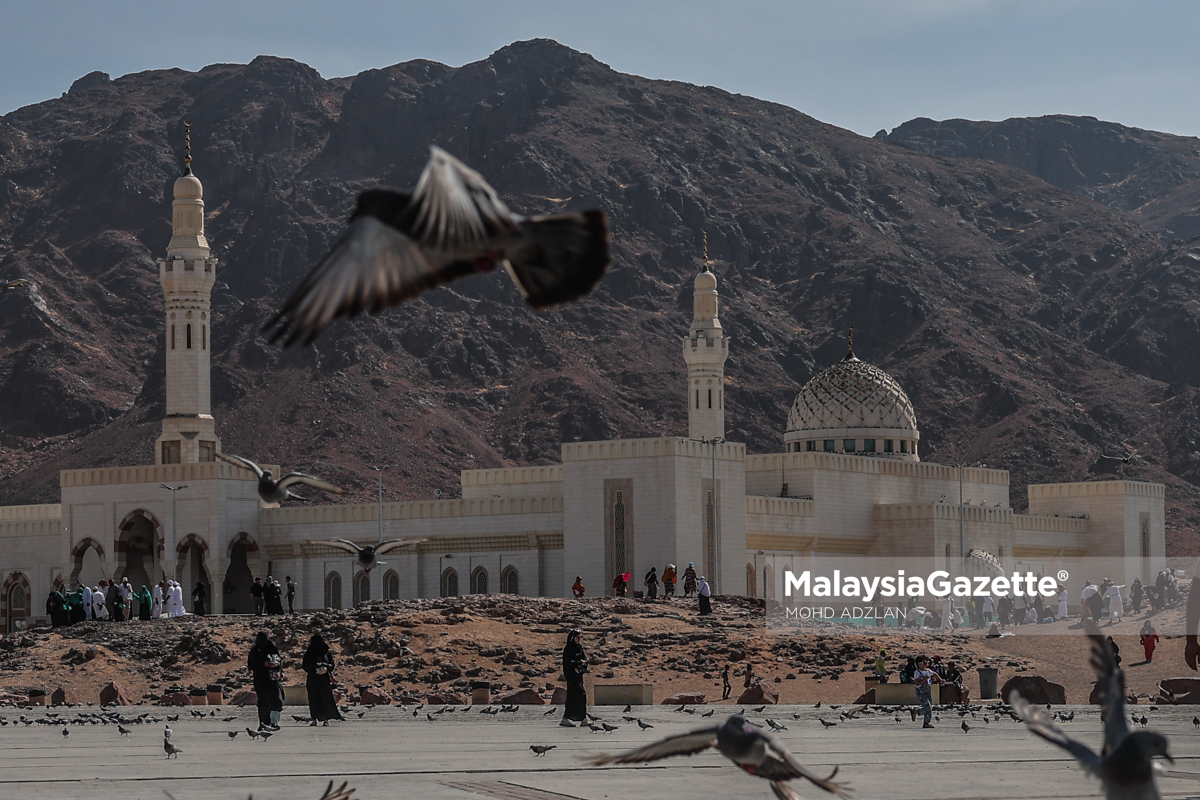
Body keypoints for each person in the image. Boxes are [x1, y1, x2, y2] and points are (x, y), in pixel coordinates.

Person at [301, 634, 343, 726]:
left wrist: (326, 667)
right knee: (313, 699)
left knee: (326, 699)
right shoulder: (310, 652)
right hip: (313, 679)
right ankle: (314, 719)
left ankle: (325, 719)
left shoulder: (326, 652)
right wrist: (315, 668)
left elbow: (331, 664)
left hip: (324, 679)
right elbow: (305, 665)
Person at [248, 631, 284, 731]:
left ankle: (274, 723)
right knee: (263, 702)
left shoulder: (272, 648)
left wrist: (275, 664)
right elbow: (251, 665)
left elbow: (278, 660)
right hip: (260, 680)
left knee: (277, 700)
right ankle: (264, 723)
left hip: (273, 679)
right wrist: (263, 664)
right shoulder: (255, 651)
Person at [561, 629, 588, 724]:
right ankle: (580, 718)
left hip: (579, 677)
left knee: (574, 697)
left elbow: (583, 658)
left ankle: (577, 718)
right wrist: (577, 664)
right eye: (577, 637)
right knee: (580, 695)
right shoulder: (568, 649)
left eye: (580, 637)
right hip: (572, 677)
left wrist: (583, 664)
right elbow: (568, 663)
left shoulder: (579, 648)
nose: (579, 639)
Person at [912, 655, 941, 728]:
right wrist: (925, 679)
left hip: (928, 691)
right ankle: (923, 718)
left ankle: (920, 715)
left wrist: (941, 680)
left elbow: (934, 674)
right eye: (925, 662)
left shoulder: (928, 671)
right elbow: (917, 683)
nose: (927, 664)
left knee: (929, 707)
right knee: (927, 706)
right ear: (919, 664)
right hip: (921, 692)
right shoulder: (917, 673)